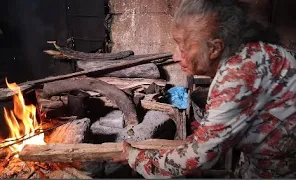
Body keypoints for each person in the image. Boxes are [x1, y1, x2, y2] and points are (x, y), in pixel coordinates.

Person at [112, 0, 296, 178]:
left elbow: (201, 155)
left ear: (215, 48)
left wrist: (137, 158)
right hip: (268, 156)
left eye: (183, 47)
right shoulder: (250, 52)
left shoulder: (236, 75)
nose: (175, 56)